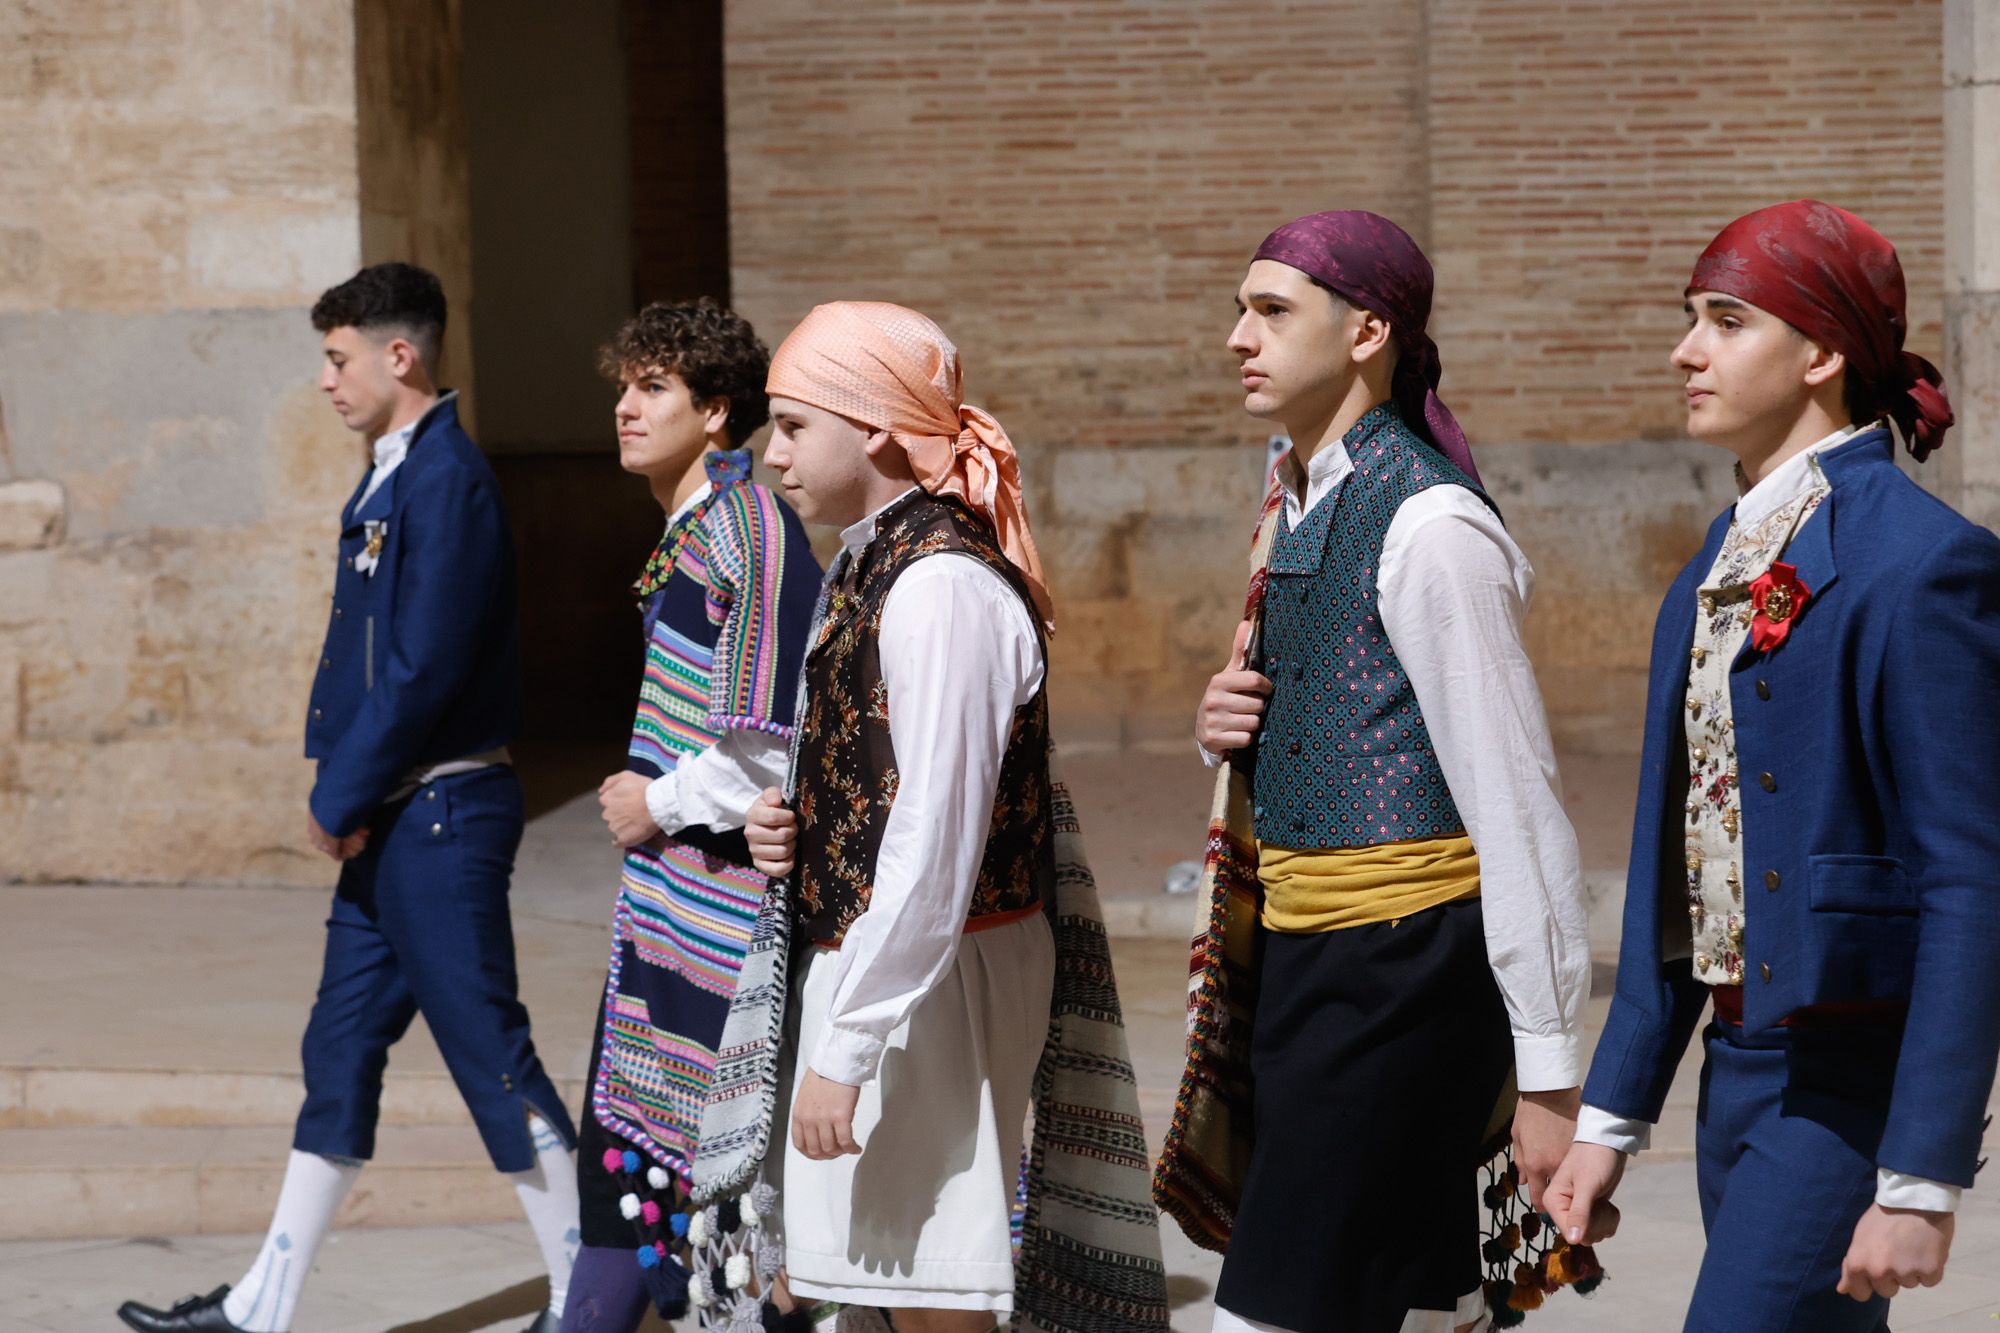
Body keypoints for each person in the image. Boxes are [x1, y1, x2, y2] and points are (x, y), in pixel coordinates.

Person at [1545, 200, 1995, 1333]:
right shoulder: (1719, 555)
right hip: (1733, 1067)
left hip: (1845, 1081)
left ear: (1820, 352)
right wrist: (1610, 1117)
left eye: (1724, 320)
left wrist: (1917, 1178)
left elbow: (1969, 883)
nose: (1683, 350)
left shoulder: (1922, 567)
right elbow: (1673, 862)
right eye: (1690, 320)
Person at [1153, 211, 1593, 1333]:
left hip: (1402, 972)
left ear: (1367, 331)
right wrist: (1227, 725)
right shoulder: (1300, 493)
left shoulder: (1431, 522)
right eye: (1239, 309)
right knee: (1410, 1303)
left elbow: (1516, 800)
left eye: (1270, 310)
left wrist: (1546, 1075)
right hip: (1308, 966)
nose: (1235, 338)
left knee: (1264, 1318)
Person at [689, 301, 1168, 1333]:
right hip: (891, 966)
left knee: (926, 1289)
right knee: (865, 1285)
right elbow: (869, 778)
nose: (770, 455)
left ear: (872, 429)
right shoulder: (870, 563)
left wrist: (848, 1044)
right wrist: (793, 823)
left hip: (936, 978)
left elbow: (934, 835)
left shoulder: (940, 584)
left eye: (793, 425)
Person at [117, 263, 577, 1333]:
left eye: (337, 358)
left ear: (397, 355)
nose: (324, 380)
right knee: (338, 1048)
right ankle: (261, 1307)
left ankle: (587, 1296)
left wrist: (340, 791)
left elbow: (422, 665)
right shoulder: (393, 473)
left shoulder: (446, 478)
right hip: (397, 816)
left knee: (487, 1054)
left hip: (441, 814)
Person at [559, 300, 821, 1332]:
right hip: (670, 909)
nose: (626, 407)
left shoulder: (744, 530)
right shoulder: (696, 522)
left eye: (653, 387)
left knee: (689, 1180)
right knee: (633, 1161)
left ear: (717, 410)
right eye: (624, 387)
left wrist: (653, 798)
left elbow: (765, 738)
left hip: (720, 915)